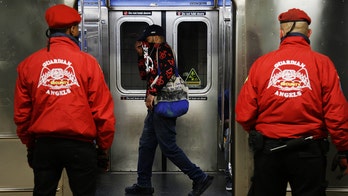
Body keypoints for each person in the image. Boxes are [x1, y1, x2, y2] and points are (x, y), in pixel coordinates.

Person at [235, 8, 348, 196]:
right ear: (309, 33)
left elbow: (243, 113)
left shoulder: (261, 64)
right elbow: (337, 113)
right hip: (309, 153)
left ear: (281, 32)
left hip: (269, 151)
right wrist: (344, 149)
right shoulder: (323, 64)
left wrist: (261, 133)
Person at [13, 4, 116, 196]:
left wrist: (30, 144)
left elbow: (22, 112)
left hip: (44, 145)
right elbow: (102, 111)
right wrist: (103, 148)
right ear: (71, 30)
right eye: (77, 27)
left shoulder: (28, 65)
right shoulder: (88, 63)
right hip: (81, 146)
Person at [125, 24, 213, 196]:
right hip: (155, 108)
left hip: (164, 104)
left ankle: (199, 177)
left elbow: (168, 71)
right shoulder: (151, 52)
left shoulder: (163, 49)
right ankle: (143, 185)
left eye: (146, 39)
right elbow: (145, 75)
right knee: (146, 146)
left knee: (168, 147)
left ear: (156, 37)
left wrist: (151, 92)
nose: (144, 42)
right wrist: (140, 56)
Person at [218, 89, 232, 191]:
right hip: (233, 126)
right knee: (229, 135)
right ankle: (230, 176)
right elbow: (225, 120)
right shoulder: (226, 96)